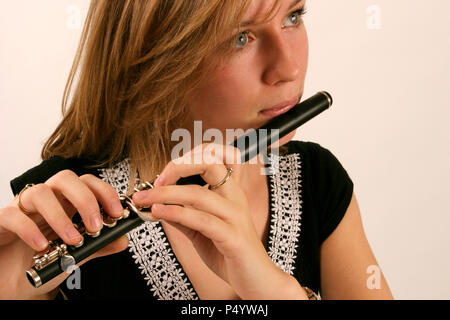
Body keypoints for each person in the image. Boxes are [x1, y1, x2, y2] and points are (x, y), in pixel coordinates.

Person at [0, 0, 393, 300]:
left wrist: (277, 291)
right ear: (160, 59)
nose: (288, 68)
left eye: (293, 16)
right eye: (241, 37)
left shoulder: (315, 180)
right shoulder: (61, 209)